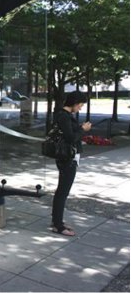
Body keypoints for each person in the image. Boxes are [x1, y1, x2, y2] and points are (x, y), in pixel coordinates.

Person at [51, 91, 92, 236]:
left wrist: (79, 129)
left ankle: (57, 221)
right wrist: (82, 129)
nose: (80, 108)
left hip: (69, 158)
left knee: (62, 191)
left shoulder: (66, 116)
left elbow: (70, 134)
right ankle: (58, 225)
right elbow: (70, 138)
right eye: (80, 105)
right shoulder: (64, 116)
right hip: (67, 159)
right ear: (74, 103)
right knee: (62, 192)